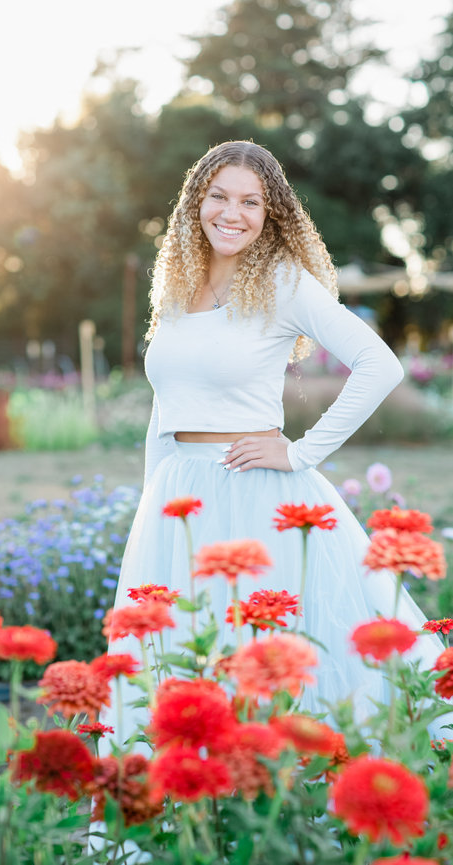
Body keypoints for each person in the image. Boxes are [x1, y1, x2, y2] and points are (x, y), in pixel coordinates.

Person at [106, 140, 448, 734]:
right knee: (184, 663)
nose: (231, 213)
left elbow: (379, 364)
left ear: (270, 215)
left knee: (266, 663)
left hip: (254, 492)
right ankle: (195, 814)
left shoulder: (283, 282)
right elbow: (166, 410)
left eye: (250, 202)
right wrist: (151, 507)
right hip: (177, 501)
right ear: (195, 203)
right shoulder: (177, 291)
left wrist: (300, 452)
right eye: (218, 196)